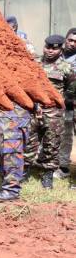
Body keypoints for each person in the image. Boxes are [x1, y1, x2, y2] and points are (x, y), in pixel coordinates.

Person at [31, 35, 75, 188]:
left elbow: (71, 89)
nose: (50, 51)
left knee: (51, 143)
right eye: (47, 47)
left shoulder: (66, 67)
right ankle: (25, 170)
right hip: (33, 108)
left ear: (60, 48)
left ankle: (48, 174)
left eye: (54, 48)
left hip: (53, 112)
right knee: (29, 141)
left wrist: (62, 102)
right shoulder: (34, 63)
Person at [0, 104, 31, 202]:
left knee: (12, 154)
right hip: (4, 113)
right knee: (5, 153)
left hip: (14, 114)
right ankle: (7, 188)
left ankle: (11, 191)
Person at [56, 27, 76, 180]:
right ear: (65, 39)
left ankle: (63, 166)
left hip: (70, 104)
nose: (72, 44)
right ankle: (47, 162)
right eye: (70, 40)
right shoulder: (55, 54)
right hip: (52, 103)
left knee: (66, 135)